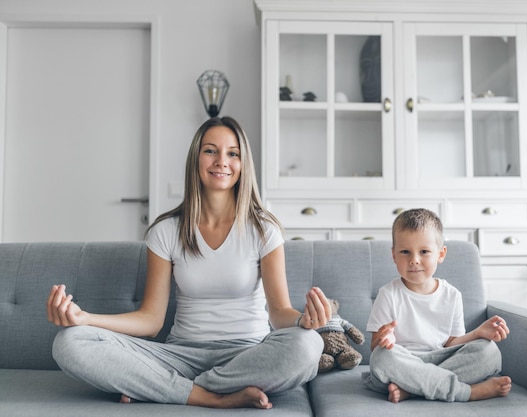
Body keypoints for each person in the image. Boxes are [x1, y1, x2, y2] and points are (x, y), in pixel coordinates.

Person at [47, 116, 331, 409]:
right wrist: (86, 318)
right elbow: (151, 321)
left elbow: (279, 313)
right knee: (69, 342)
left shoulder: (263, 230)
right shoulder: (166, 230)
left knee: (308, 345)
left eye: (232, 153)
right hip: (180, 356)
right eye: (211, 150)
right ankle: (210, 397)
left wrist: (302, 321)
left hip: (247, 356)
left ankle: (165, 387)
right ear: (196, 159)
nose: (222, 161)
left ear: (243, 164)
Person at [362, 208, 512, 403]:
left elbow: (450, 343)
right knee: (382, 358)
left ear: (440, 254)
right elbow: (375, 349)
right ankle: (466, 392)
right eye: (405, 252)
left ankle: (413, 390)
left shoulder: (452, 295)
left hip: (440, 359)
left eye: (424, 251)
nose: (414, 259)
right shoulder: (388, 294)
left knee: (489, 351)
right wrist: (384, 338)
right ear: (394, 255)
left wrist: (478, 334)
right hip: (403, 363)